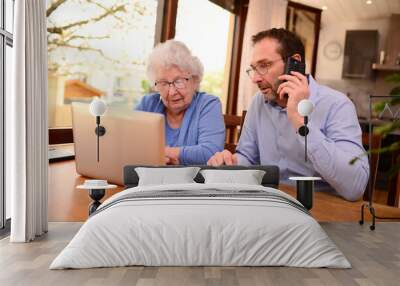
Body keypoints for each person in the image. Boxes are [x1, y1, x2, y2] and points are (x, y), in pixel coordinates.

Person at [207, 28, 369, 201]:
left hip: (318, 207)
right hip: (270, 202)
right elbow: (249, 157)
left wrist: (299, 119)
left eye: (264, 66)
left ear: (294, 62)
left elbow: (355, 187)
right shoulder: (258, 102)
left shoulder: (337, 105)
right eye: (254, 69)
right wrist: (231, 162)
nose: (255, 78)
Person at [136, 40, 225, 165]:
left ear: (195, 80)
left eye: (179, 81)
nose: (172, 92)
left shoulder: (208, 105)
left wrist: (162, 153)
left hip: (192, 183)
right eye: (164, 83)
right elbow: (128, 146)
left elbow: (211, 152)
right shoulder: (148, 105)